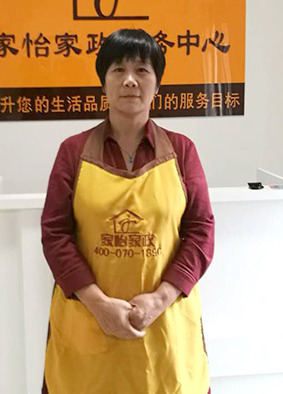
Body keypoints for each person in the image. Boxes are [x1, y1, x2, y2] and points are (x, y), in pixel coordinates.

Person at [41, 28, 215, 394]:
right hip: (88, 319)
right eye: (118, 70)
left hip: (164, 323)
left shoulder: (182, 151)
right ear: (103, 84)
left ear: (157, 85)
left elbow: (201, 231)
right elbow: (55, 233)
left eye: (142, 70)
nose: (130, 80)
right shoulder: (73, 152)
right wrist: (99, 304)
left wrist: (159, 299)